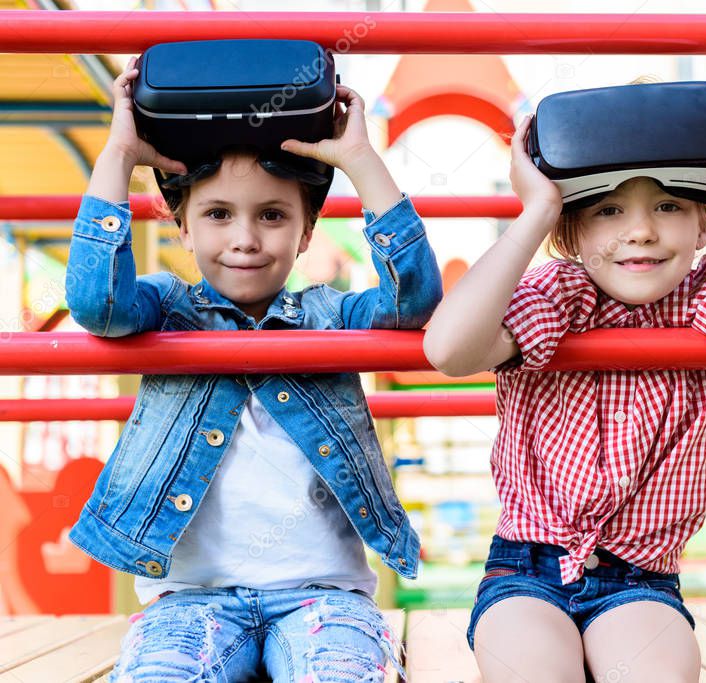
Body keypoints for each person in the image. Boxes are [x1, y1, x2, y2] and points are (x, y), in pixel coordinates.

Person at [423, 88, 706, 682]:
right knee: (534, 671)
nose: (642, 232)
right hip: (528, 568)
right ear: (571, 232)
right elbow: (448, 351)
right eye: (608, 211)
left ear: (704, 224)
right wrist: (534, 215)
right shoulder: (560, 292)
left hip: (641, 579)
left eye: (670, 206)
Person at [66, 56, 442, 682]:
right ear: (182, 228)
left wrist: (360, 162)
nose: (245, 237)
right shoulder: (168, 309)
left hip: (323, 597)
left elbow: (413, 299)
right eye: (217, 215)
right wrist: (118, 154)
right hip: (191, 598)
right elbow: (95, 304)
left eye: (272, 215)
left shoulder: (329, 315)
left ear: (305, 233)